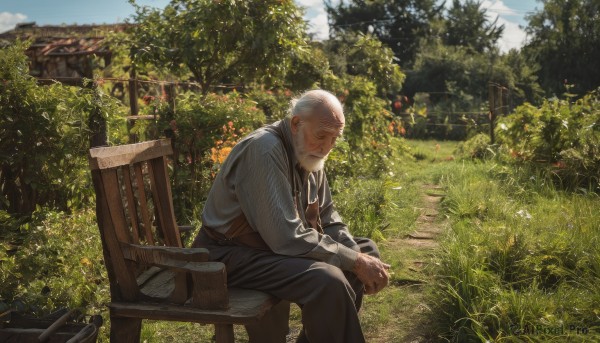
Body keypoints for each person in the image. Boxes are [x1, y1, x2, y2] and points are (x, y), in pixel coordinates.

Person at [192, 89, 390, 343]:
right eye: (322, 136)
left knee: (365, 249)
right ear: (296, 123)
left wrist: (357, 256)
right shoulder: (265, 150)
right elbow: (285, 238)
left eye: (334, 138)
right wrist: (356, 262)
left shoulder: (310, 150)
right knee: (328, 281)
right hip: (227, 256)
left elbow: (328, 218)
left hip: (267, 249)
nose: (327, 146)